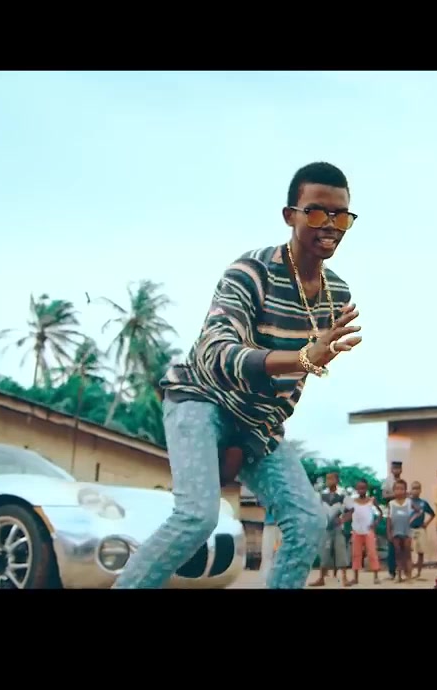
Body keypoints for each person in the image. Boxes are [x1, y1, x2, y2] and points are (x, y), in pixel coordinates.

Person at [111, 162, 360, 590]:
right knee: (197, 516)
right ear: (290, 215)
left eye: (341, 216)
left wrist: (249, 441)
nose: (330, 225)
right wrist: (303, 356)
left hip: (257, 421)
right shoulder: (251, 272)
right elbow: (217, 351)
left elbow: (291, 384)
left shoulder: (337, 293)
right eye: (317, 212)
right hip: (200, 397)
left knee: (307, 519)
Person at [312, 471, 352, 586]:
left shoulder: (342, 495)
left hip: (338, 528)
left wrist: (343, 520)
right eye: (327, 479)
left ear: (337, 480)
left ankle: (344, 578)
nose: (329, 481)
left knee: (341, 551)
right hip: (326, 527)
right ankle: (321, 578)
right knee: (324, 553)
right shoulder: (322, 495)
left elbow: (351, 510)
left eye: (331, 479)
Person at [347, 479, 381, 584]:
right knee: (356, 554)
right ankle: (355, 577)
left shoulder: (371, 500)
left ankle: (376, 576)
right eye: (359, 488)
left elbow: (380, 512)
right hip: (356, 531)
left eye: (363, 488)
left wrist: (376, 523)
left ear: (367, 488)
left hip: (368, 531)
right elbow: (349, 514)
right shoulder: (353, 502)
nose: (361, 490)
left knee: (372, 552)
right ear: (356, 489)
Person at [387, 480, 416, 583]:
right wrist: (389, 532)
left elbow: (418, 511)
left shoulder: (409, 502)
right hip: (396, 531)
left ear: (405, 490)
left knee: (407, 554)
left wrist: (412, 520)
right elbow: (389, 519)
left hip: (407, 531)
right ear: (393, 490)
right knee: (398, 553)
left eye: (402, 489)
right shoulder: (391, 504)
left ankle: (409, 576)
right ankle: (399, 576)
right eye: (397, 489)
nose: (399, 491)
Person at [408, 480, 436, 580]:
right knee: (408, 551)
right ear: (410, 490)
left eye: (417, 488)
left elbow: (432, 514)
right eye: (413, 488)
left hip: (420, 529)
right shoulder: (407, 502)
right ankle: (409, 572)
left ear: (420, 490)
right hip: (409, 529)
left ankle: (418, 573)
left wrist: (426, 523)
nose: (415, 490)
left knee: (421, 551)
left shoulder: (423, 503)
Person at [382, 460, 405, 578]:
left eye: (398, 468)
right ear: (391, 469)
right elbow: (384, 496)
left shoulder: (403, 482)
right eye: (394, 468)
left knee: (402, 543)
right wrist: (396, 495)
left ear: (401, 470)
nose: (396, 470)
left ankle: (402, 570)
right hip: (390, 513)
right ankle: (392, 571)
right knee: (391, 542)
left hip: (402, 514)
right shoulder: (387, 482)